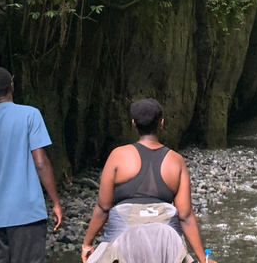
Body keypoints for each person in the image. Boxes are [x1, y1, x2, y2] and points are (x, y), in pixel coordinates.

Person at [81, 98, 217, 263]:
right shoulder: (176, 160)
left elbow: (103, 208)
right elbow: (186, 215)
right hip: (167, 241)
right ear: (161, 123)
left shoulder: (118, 156)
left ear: (133, 123)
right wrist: (203, 258)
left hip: (124, 235)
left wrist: (87, 244)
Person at [0, 67, 64, 263]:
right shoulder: (30, 115)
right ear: (11, 86)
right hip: (28, 215)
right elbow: (40, 162)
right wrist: (56, 202)